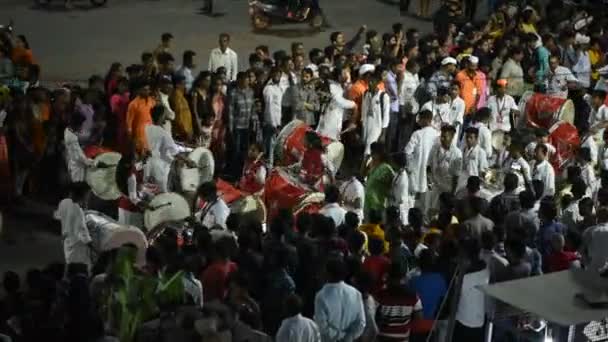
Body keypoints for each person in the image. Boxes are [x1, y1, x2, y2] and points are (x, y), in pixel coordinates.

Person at [314, 258, 366, 342]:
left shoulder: (321, 296)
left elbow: (322, 326)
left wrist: (339, 336)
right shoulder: (356, 293)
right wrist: (349, 337)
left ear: (328, 274)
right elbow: (361, 323)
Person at [145, 105, 189, 192]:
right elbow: (176, 152)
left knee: (149, 191)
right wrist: (188, 161)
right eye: (165, 115)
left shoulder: (146, 128)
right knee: (162, 192)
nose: (167, 117)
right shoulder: (163, 133)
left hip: (146, 164)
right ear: (161, 116)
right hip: (159, 167)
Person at [375, 263, 423, 341]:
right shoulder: (413, 296)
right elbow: (419, 318)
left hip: (382, 337)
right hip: (403, 338)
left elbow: (373, 317)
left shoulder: (380, 295)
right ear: (403, 278)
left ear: (387, 278)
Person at [453, 238, 489, 342]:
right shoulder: (486, 271)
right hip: (480, 321)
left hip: (464, 322)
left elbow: (455, 300)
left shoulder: (463, 279)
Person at [54, 182, 93, 269]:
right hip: (77, 242)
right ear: (84, 195)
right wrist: (89, 242)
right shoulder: (78, 210)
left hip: (66, 239)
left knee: (69, 262)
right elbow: (83, 229)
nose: (89, 197)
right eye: (88, 195)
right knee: (79, 265)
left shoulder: (63, 203)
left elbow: (57, 215)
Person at [405, 110, 439, 204]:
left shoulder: (417, 134)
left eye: (420, 119)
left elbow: (408, 151)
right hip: (430, 171)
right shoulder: (437, 134)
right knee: (427, 197)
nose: (418, 121)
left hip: (417, 169)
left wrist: (409, 166)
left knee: (413, 197)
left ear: (425, 120)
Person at [316, 67, 356, 141]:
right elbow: (340, 102)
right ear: (339, 76)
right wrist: (353, 104)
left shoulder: (337, 86)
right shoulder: (333, 86)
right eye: (344, 73)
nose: (346, 76)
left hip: (334, 124)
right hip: (329, 125)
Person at [229, 72, 256, 175]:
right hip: (237, 126)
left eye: (247, 79)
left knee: (245, 150)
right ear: (239, 80)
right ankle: (235, 172)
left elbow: (252, 108)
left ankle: (243, 172)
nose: (247, 81)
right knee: (236, 150)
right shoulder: (233, 93)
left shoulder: (250, 92)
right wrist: (231, 127)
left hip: (247, 126)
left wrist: (254, 122)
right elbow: (231, 112)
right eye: (245, 79)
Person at [361, 70, 390, 156]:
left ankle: (365, 168)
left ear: (377, 82)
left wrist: (383, 134)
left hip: (377, 127)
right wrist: (362, 126)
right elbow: (363, 111)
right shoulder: (366, 94)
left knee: (368, 150)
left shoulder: (383, 96)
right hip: (366, 126)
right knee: (366, 147)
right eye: (368, 81)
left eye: (372, 81)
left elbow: (386, 117)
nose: (369, 83)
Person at [363, 143, 395, 219]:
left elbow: (392, 184)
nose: (372, 155)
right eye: (371, 152)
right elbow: (362, 174)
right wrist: (365, 161)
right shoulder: (371, 164)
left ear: (380, 154)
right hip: (368, 202)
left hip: (378, 203)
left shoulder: (386, 168)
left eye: (373, 153)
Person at [64, 112, 96, 183]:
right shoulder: (72, 138)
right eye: (81, 124)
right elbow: (81, 158)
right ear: (76, 124)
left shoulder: (68, 130)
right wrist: (94, 163)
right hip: (75, 171)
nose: (81, 126)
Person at [126, 80, 156, 154]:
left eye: (148, 90)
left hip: (150, 131)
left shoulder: (150, 100)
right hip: (139, 134)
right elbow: (129, 122)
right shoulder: (133, 104)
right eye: (145, 90)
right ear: (139, 90)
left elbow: (155, 106)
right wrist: (131, 137)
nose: (147, 92)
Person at [262, 67, 284, 165]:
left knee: (277, 149)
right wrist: (273, 124)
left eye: (279, 75)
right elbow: (269, 107)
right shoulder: (268, 88)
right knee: (270, 149)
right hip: (271, 124)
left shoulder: (279, 88)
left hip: (279, 123)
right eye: (275, 75)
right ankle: (269, 170)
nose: (277, 77)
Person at [458, 127, 488, 191]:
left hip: (474, 184)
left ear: (476, 139)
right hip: (463, 181)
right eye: (467, 137)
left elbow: (483, 170)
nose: (468, 139)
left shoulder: (481, 152)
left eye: (471, 138)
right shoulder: (463, 150)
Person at [170, 75, 194, 142]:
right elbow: (179, 115)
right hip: (181, 132)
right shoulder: (176, 96)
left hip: (185, 131)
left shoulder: (181, 96)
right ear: (177, 85)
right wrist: (185, 131)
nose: (185, 86)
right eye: (183, 84)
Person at [389, 153, 411, 226]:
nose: (391, 163)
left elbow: (399, 195)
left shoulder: (402, 177)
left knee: (402, 224)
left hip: (400, 205)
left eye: (393, 162)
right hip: (396, 203)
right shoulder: (398, 173)